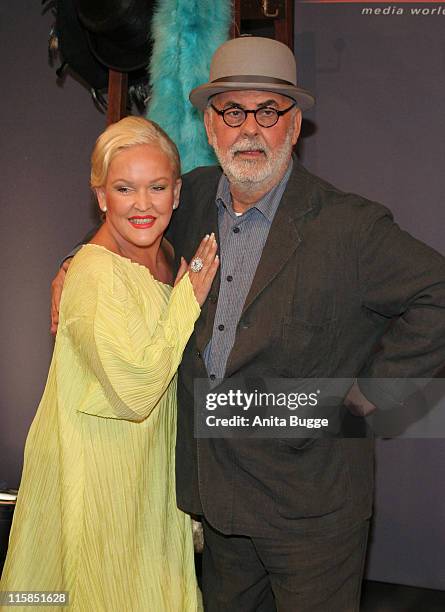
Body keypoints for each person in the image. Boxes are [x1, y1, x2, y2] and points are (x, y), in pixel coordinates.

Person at [50, 38, 445, 611]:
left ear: (295, 124)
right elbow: (126, 219)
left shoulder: (350, 227)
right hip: (220, 511)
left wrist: (370, 396)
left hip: (314, 517)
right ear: (211, 125)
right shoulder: (188, 198)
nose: (250, 130)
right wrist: (73, 261)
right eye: (234, 112)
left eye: (268, 112)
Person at [1, 116, 218, 611]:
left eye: (156, 187)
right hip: (101, 480)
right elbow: (136, 391)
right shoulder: (94, 274)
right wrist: (189, 297)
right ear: (101, 196)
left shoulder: (165, 251)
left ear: (177, 192)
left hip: (149, 479)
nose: (142, 204)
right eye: (125, 188)